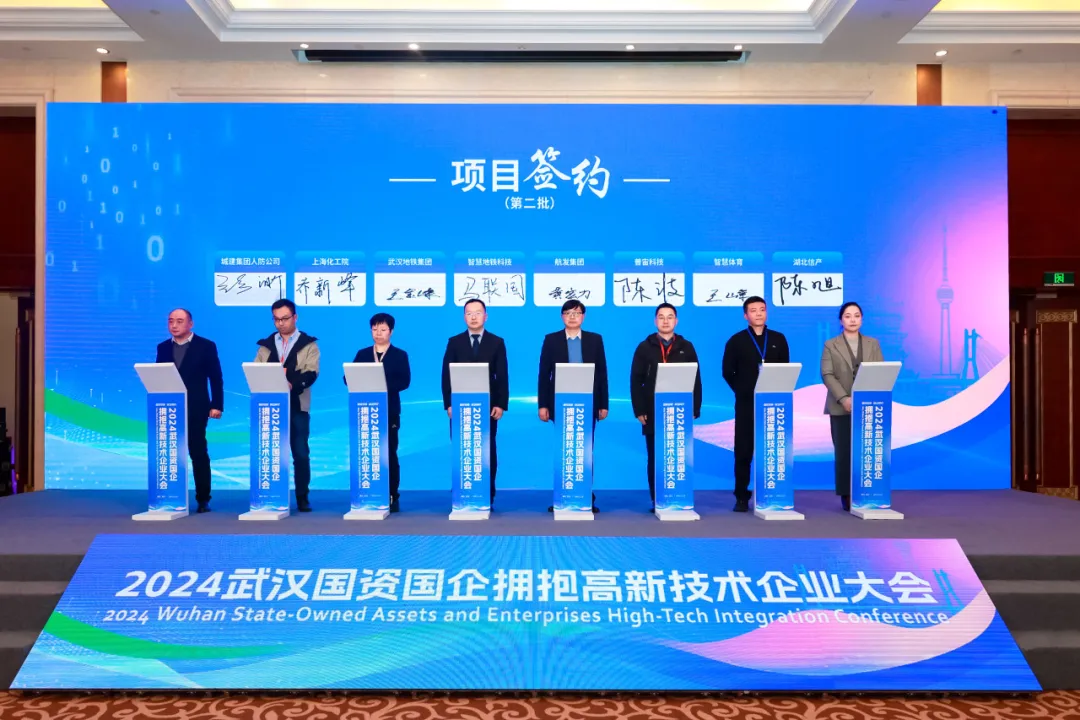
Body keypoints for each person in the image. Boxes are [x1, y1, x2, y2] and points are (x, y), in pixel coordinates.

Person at [538, 300, 609, 513]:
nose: (572, 316)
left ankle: (585, 496)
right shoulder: (551, 340)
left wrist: (603, 404)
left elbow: (602, 374)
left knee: (585, 450)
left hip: (588, 403)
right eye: (567, 312)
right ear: (562, 316)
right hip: (560, 404)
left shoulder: (595, 340)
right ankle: (563, 496)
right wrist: (543, 405)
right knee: (565, 450)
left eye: (576, 313)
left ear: (583, 317)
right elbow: (544, 374)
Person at [630, 303, 702, 512]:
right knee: (655, 456)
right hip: (653, 410)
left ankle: (679, 496)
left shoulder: (686, 346)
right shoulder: (644, 347)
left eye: (670, 317)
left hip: (680, 411)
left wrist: (695, 408)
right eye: (661, 317)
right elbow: (636, 380)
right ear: (655, 321)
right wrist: (639, 410)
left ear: (676, 321)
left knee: (679, 455)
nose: (665, 321)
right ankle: (658, 500)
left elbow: (696, 378)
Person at [722, 296, 790, 513]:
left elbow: (785, 370)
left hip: (773, 406)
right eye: (753, 310)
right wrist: (742, 390)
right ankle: (741, 496)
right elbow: (727, 371)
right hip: (746, 404)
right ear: (745, 315)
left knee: (772, 450)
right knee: (743, 451)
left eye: (762, 309)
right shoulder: (736, 341)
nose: (759, 313)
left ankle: (772, 493)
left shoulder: (778, 339)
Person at [441, 298, 509, 507]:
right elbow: (446, 375)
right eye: (469, 313)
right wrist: (449, 404)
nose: (473, 317)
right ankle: (462, 490)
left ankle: (487, 492)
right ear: (464, 317)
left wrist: (500, 404)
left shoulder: (497, 342)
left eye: (478, 313)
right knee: (461, 448)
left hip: (487, 407)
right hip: (460, 406)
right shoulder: (454, 342)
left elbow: (502, 375)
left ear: (485, 316)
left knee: (487, 449)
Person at [254, 299, 320, 512]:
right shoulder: (265, 345)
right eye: (276, 319)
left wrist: (291, 382)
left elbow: (311, 373)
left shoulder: (309, 344)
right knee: (270, 453)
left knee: (300, 453)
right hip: (269, 407)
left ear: (295, 317)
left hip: (297, 406)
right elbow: (256, 370)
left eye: (285, 318)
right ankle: (270, 495)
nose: (280, 323)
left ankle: (302, 496)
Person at [155, 308, 223, 514]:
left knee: (197, 451)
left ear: (190, 324)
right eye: (171, 321)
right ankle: (170, 496)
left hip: (196, 407)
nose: (174, 325)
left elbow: (216, 378)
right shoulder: (163, 348)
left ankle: (203, 498)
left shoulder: (206, 346)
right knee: (170, 453)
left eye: (179, 321)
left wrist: (217, 405)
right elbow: (159, 377)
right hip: (168, 409)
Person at [821, 301, 883, 512]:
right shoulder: (831, 345)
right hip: (841, 406)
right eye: (848, 316)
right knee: (844, 451)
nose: (853, 320)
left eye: (856, 315)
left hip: (869, 407)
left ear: (862, 319)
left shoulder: (873, 343)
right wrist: (844, 398)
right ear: (841, 320)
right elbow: (827, 374)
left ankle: (868, 491)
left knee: (867, 450)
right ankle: (846, 493)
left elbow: (880, 371)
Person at [346, 312, 411, 513]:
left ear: (391, 331)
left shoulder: (400, 355)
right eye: (374, 329)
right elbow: (348, 378)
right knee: (366, 452)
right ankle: (367, 492)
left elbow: (405, 381)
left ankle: (392, 494)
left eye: (383, 329)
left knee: (388, 452)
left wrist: (380, 384)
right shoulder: (362, 354)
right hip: (365, 411)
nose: (378, 333)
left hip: (389, 411)